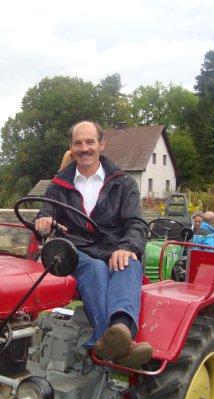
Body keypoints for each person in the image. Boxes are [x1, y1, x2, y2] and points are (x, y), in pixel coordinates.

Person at [35, 120, 151, 368]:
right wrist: (43, 222)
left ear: (101, 144)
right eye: (78, 143)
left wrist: (127, 247)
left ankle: (120, 329)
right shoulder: (58, 185)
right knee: (95, 268)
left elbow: (136, 224)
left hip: (113, 250)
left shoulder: (123, 183)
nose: (84, 148)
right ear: (71, 148)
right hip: (77, 252)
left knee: (128, 263)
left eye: (90, 142)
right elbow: (44, 214)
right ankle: (111, 340)